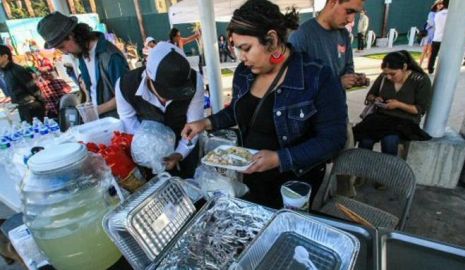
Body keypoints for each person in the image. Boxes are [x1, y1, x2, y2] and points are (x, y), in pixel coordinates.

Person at [182, 0, 347, 209]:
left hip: (294, 182)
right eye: (238, 49)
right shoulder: (244, 73)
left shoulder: (317, 76)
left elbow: (333, 139)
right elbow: (237, 111)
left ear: (271, 39)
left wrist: (279, 158)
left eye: (246, 48)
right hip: (251, 175)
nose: (241, 58)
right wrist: (205, 123)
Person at [116, 42, 204, 178]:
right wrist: (150, 151)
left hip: (184, 140)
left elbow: (194, 124)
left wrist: (180, 153)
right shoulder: (125, 85)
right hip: (147, 150)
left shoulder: (195, 80)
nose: (168, 99)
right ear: (149, 76)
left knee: (190, 181)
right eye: (166, 92)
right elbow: (128, 121)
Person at [37, 11, 129, 118]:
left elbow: (126, 95)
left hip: (119, 122)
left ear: (71, 35)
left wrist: (95, 111)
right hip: (101, 120)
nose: (65, 52)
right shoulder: (82, 54)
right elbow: (92, 91)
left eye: (62, 46)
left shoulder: (110, 56)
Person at [353, 51, 432, 156]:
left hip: (404, 122)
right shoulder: (384, 76)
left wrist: (399, 105)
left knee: (389, 140)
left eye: (392, 74)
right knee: (365, 140)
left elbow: (419, 109)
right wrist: (375, 99)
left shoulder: (420, 80)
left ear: (404, 67)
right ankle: (361, 167)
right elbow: (370, 95)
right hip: (381, 118)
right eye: (386, 74)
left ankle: (389, 169)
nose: (389, 77)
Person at [289, 0, 367, 90]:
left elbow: (348, 66)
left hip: (339, 103)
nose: (351, 19)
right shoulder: (301, 36)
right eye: (349, 11)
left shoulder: (344, 34)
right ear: (333, 2)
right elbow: (294, 83)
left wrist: (353, 78)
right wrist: (337, 84)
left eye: (355, 13)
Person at [0, 45, 45, 122]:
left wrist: (42, 103)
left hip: (32, 106)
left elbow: (32, 87)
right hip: (21, 107)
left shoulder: (17, 70)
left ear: (5, 56)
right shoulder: (5, 72)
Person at [419, 1, 442, 68]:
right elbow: (431, 22)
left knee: (430, 50)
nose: (440, 6)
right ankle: (420, 64)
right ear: (436, 5)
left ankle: (428, 65)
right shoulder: (432, 13)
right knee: (425, 49)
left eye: (441, 4)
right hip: (429, 33)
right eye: (439, 4)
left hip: (435, 34)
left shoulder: (441, 14)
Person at [428, 0, 448, 75]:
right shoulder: (451, 15)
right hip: (445, 39)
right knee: (444, 56)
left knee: (433, 55)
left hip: (436, 37)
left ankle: (430, 69)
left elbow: (434, 25)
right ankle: (442, 70)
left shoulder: (437, 14)